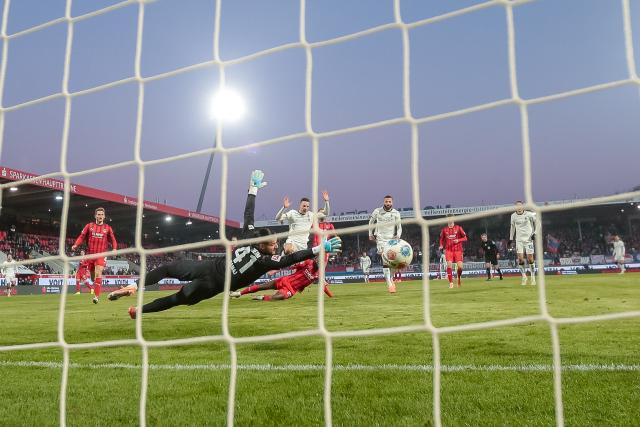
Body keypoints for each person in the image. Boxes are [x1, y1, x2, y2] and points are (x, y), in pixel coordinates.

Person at [127, 170, 342, 319]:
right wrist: (318, 248)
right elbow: (291, 257)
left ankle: (139, 310)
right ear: (264, 246)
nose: (275, 247)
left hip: (211, 281)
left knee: (176, 296)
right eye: (273, 245)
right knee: (171, 282)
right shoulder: (264, 262)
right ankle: (135, 287)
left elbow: (248, 214)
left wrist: (253, 189)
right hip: (211, 277)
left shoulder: (251, 239)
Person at [71, 207, 118, 303]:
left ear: (104, 216)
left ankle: (96, 297)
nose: (100, 216)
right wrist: (76, 244)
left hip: (101, 254)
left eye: (102, 214)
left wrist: (114, 249)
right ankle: (95, 286)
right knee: (93, 277)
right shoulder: (89, 226)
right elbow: (82, 236)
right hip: (90, 255)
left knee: (98, 273)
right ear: (95, 216)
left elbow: (113, 239)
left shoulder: (107, 228)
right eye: (98, 214)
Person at [229, 258, 333, 301]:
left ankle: (262, 298)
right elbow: (293, 265)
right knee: (263, 286)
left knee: (280, 297)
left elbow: (323, 286)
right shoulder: (308, 262)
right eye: (317, 260)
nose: (318, 262)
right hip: (285, 280)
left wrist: (331, 296)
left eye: (320, 262)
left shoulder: (318, 274)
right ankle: (239, 293)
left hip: (291, 289)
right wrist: (277, 269)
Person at [369, 195, 402, 293]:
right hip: (380, 239)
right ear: (384, 202)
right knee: (386, 261)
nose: (388, 203)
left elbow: (399, 226)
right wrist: (370, 233)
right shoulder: (377, 211)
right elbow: (371, 222)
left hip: (391, 240)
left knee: (393, 262)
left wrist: (398, 235)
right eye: (386, 201)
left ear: (392, 202)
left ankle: (391, 278)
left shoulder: (396, 213)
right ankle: (389, 284)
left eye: (389, 202)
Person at [509, 201, 538, 286]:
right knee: (520, 259)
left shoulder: (529, 214)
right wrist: (510, 239)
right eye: (517, 206)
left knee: (530, 259)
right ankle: (524, 277)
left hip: (528, 240)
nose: (519, 207)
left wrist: (535, 233)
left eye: (520, 205)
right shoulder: (513, 216)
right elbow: (512, 227)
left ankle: (533, 277)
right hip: (519, 240)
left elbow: (538, 223)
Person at [439, 214, 467, 288]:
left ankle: (458, 278)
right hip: (448, 250)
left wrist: (458, 240)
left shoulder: (458, 228)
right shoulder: (444, 230)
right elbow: (441, 239)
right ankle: (451, 283)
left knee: (460, 267)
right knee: (449, 265)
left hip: (458, 250)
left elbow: (465, 238)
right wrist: (441, 245)